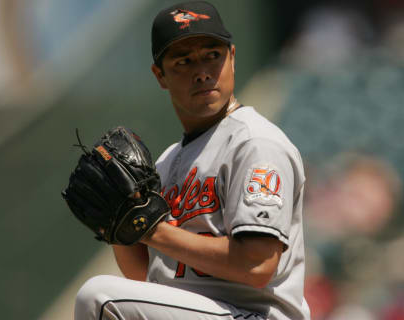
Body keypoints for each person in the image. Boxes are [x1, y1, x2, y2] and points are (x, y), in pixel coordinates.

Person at [74, 1, 310, 319]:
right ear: (160, 75)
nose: (202, 73)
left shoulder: (255, 143)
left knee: (98, 297)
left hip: (253, 313)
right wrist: (119, 231)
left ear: (233, 59)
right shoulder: (167, 162)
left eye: (213, 56)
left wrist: (150, 230)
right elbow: (143, 278)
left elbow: (256, 265)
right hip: (197, 311)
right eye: (184, 61)